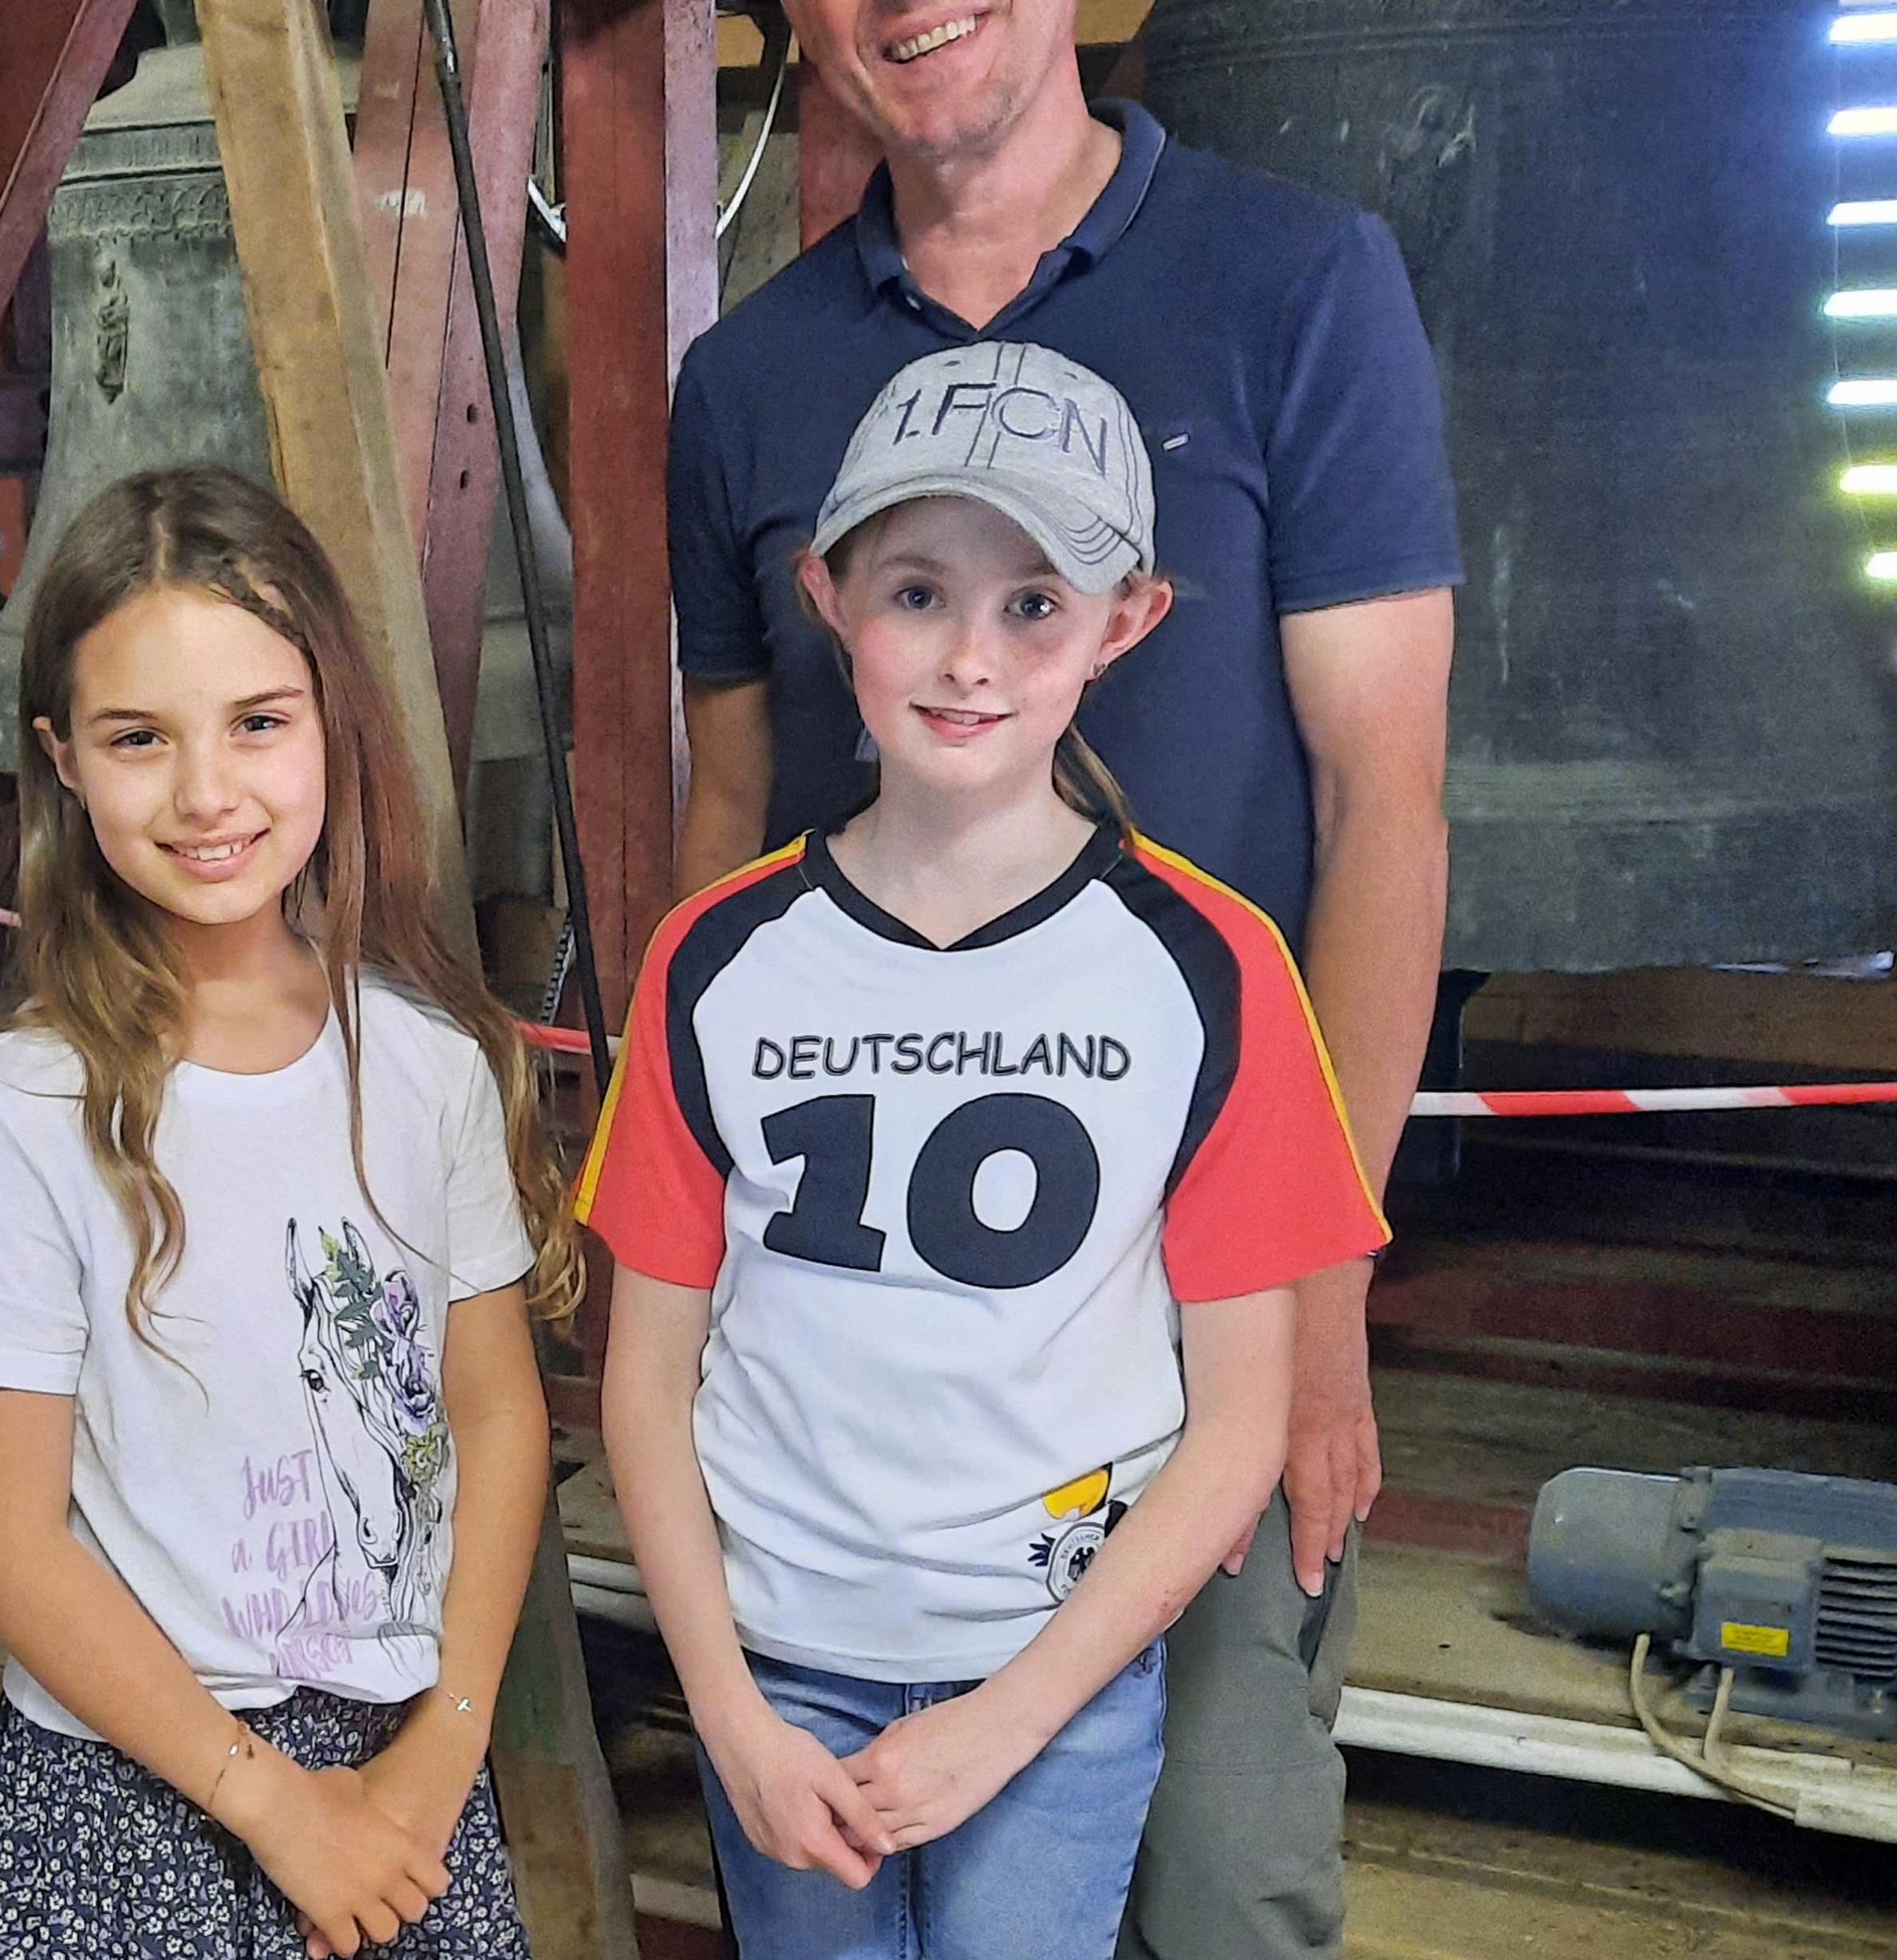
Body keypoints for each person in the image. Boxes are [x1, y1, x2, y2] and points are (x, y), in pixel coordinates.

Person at [670, 0, 1459, 1956]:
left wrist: (1327, 1282)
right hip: (859, 1323)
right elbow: (734, 813)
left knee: (1212, 1886)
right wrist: (696, 1257)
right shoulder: (748, 386)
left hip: (1201, 1290)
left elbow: (1376, 798)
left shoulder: (1298, 292)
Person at [593, 346, 1389, 1958]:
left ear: (1126, 623)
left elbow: (1240, 1418)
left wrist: (1016, 1714)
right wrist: (730, 1716)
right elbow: (644, 1377)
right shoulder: (712, 960)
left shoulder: (1208, 965)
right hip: (779, 1680)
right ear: (825, 598)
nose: (968, 657)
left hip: (1056, 1686)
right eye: (915, 593)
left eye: (1034, 603)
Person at [0, 465, 575, 1960]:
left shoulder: (429, 1065)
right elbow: (6, 1542)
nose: (206, 792)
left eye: (259, 722)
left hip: (403, 1772)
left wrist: (439, 1757)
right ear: (61, 760)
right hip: (129, 1786)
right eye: (140, 738)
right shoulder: (24, 1111)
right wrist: (271, 1805)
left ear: (332, 719)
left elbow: (496, 1417)